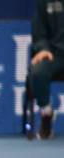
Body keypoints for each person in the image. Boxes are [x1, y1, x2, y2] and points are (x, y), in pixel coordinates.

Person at [30, 0, 64, 139]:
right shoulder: (44, 2)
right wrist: (43, 49)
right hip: (54, 54)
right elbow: (39, 32)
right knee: (38, 72)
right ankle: (47, 114)